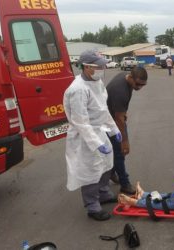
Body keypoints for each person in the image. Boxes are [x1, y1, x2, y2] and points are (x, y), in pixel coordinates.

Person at [63, 49, 122, 221]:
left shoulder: (97, 82)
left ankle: (103, 193)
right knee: (90, 171)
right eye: (99, 66)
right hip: (84, 137)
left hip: (99, 131)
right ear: (87, 67)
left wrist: (114, 130)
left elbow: (103, 110)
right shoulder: (78, 89)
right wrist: (96, 143)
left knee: (107, 164)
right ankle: (92, 206)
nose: (102, 69)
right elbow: (80, 121)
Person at [106, 67, 148, 195]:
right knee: (120, 151)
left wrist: (123, 113)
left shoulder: (127, 77)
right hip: (110, 122)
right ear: (130, 78)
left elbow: (120, 114)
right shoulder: (120, 91)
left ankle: (112, 173)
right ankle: (125, 184)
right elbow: (119, 119)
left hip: (114, 115)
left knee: (117, 152)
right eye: (138, 84)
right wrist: (125, 141)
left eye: (143, 85)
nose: (140, 87)